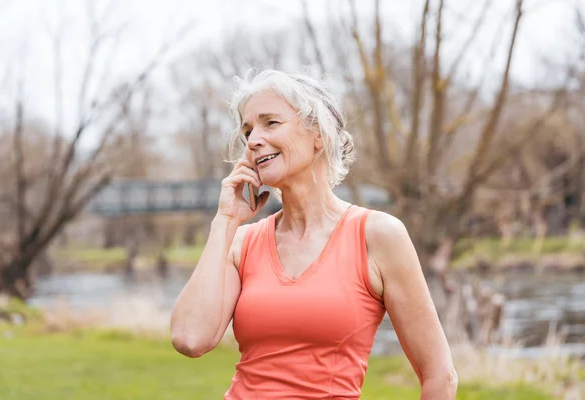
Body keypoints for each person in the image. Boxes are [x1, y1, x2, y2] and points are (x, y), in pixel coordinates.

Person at [170, 69, 458, 399]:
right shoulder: (241, 242)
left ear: (318, 134)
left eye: (270, 123)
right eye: (247, 130)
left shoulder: (377, 236)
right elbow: (190, 338)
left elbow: (439, 375)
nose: (252, 140)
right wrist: (224, 221)